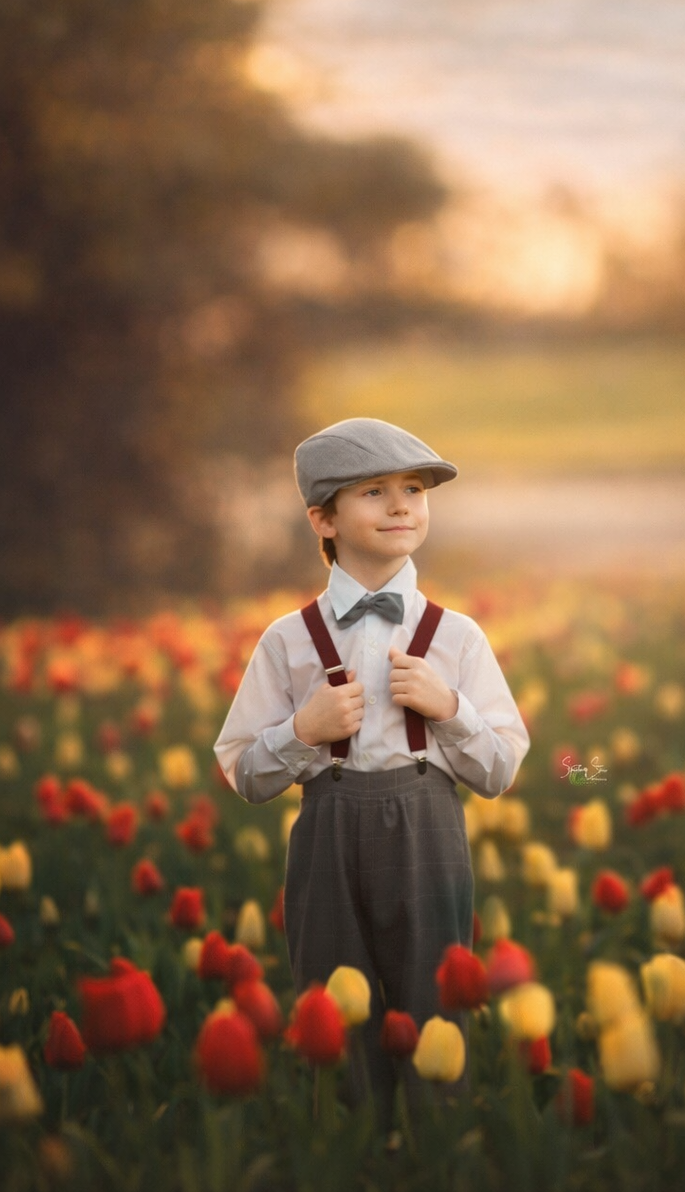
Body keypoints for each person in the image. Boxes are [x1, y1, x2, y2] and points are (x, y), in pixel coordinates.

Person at [214, 417, 529, 1123]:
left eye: (414, 489)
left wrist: (450, 709)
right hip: (326, 832)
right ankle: (350, 1140)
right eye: (374, 491)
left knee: (433, 997)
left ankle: (434, 1141)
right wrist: (302, 732)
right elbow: (243, 772)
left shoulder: (457, 638)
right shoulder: (287, 641)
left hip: (426, 830)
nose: (400, 506)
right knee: (332, 998)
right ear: (322, 519)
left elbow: (500, 768)